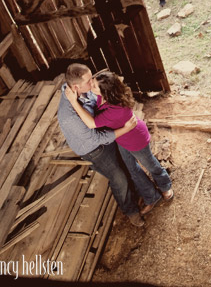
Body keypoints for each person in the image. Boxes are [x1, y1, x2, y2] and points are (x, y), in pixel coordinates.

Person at [65, 70, 173, 216]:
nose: (91, 85)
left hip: (136, 140)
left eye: (94, 85)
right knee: (133, 170)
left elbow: (91, 124)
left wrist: (73, 101)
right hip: (122, 139)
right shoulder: (103, 97)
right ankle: (151, 197)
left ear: (106, 92)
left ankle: (165, 185)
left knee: (150, 165)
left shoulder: (117, 109)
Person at [57, 63, 144, 227]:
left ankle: (137, 191)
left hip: (105, 134)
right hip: (94, 149)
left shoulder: (82, 89)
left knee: (127, 163)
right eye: (90, 80)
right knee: (118, 178)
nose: (93, 82)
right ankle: (131, 211)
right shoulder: (68, 115)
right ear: (76, 87)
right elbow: (96, 139)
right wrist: (125, 129)